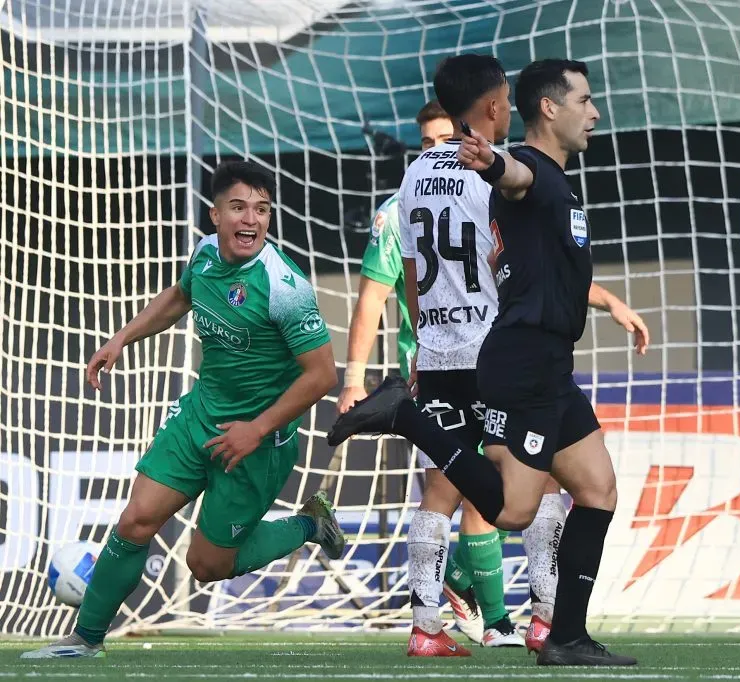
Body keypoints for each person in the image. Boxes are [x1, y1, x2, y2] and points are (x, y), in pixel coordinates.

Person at [328, 58, 648, 667]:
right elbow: (513, 182)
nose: (594, 112)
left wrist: (423, 338)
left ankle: (554, 633)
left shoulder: (419, 173)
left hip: (470, 351)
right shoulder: (512, 169)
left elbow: (416, 270)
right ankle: (406, 420)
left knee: (594, 488)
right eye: (585, 100)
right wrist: (494, 164)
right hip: (511, 354)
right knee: (518, 505)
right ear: (508, 107)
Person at [23, 161, 344, 659]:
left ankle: (310, 525)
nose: (251, 220)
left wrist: (256, 429)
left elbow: (322, 376)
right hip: (198, 416)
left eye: (262, 210)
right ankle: (85, 639)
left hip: (256, 443)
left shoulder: (286, 287)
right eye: (238, 208)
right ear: (215, 215)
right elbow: (179, 296)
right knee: (136, 520)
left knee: (207, 566)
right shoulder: (204, 254)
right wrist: (122, 338)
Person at [339, 95, 559, 653]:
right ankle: (541, 618)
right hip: (494, 353)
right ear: (492, 106)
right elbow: (510, 265)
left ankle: (428, 624)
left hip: (435, 357)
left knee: (448, 490)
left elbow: (413, 275)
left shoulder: (412, 182)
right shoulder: (497, 175)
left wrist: (421, 341)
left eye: (441, 137)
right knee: (541, 480)